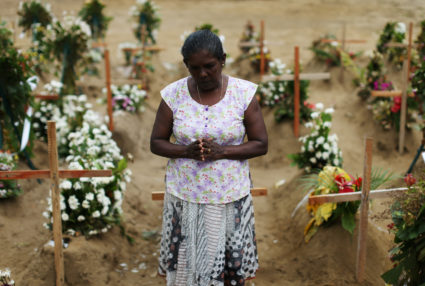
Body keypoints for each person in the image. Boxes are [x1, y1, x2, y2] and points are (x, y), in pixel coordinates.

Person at [150, 29, 268, 286]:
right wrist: (185, 151)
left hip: (228, 196)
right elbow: (156, 142)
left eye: (209, 66)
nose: (202, 74)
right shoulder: (173, 96)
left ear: (223, 60)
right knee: (188, 264)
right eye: (194, 68)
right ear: (186, 66)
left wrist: (222, 151)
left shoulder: (243, 94)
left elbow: (261, 144)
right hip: (185, 196)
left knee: (224, 267)